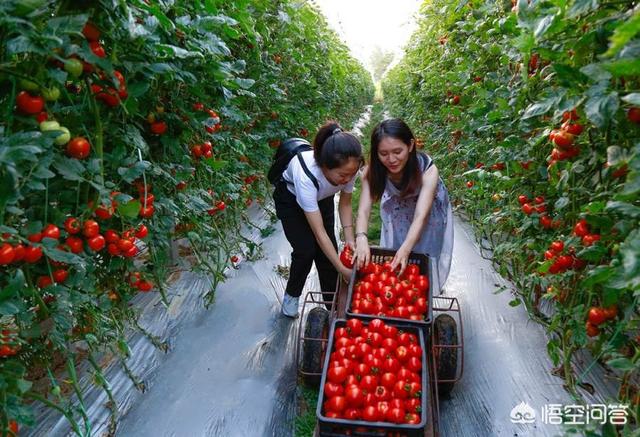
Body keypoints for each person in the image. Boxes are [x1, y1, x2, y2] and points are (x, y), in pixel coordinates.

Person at [273, 121, 363, 317]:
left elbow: (345, 204)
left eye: (351, 174)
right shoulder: (307, 176)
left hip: (322, 197)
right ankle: (291, 296)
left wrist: (350, 240)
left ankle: (333, 306)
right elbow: (318, 232)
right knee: (306, 250)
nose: (347, 179)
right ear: (324, 166)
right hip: (290, 199)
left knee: (329, 251)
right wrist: (342, 269)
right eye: (342, 175)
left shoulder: (348, 168)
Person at [354, 118, 453, 291]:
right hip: (401, 206)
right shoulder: (372, 171)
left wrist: (406, 249)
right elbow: (363, 210)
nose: (391, 159)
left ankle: (423, 287)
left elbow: (421, 215)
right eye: (383, 154)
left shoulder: (428, 170)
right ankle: (402, 286)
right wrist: (361, 237)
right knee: (398, 244)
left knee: (424, 248)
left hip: (428, 211)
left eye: (397, 151)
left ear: (411, 145)